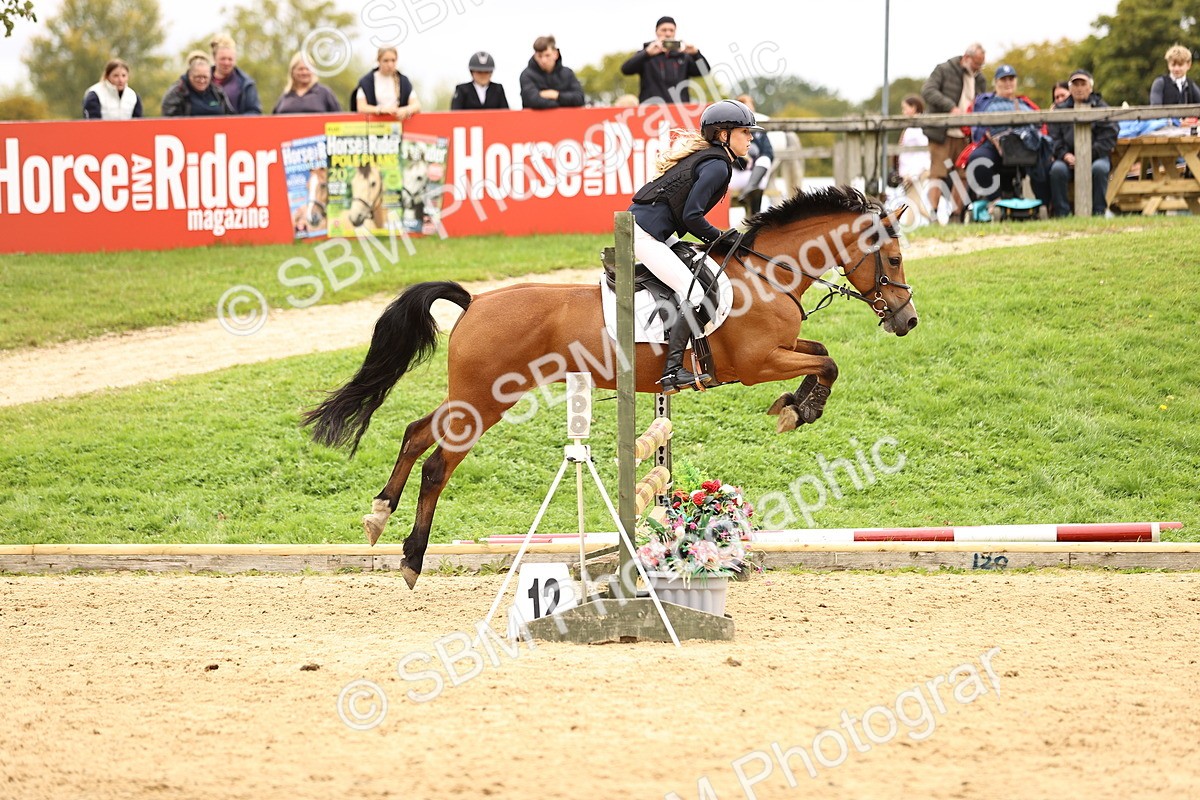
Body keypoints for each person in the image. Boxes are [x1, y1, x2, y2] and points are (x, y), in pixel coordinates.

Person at [628, 99, 758, 394]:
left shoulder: (713, 159)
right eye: (744, 132)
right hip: (644, 234)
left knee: (698, 275)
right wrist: (722, 237)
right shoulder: (717, 167)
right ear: (723, 135)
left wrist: (720, 237)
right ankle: (672, 370)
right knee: (695, 292)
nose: (750, 138)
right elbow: (692, 216)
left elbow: (688, 217)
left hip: (653, 230)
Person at [921, 43, 987, 223]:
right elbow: (928, 91)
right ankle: (933, 215)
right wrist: (950, 107)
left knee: (963, 174)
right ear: (967, 57)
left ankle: (956, 215)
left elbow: (984, 100)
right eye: (976, 64)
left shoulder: (979, 78)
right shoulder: (944, 70)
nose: (978, 68)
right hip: (941, 131)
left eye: (981, 65)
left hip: (966, 133)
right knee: (938, 172)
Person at [964, 65, 1047, 204]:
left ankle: (1045, 203)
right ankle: (996, 201)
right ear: (996, 82)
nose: (1008, 83)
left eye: (1011, 79)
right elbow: (971, 126)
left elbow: (1041, 126)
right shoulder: (984, 103)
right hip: (993, 143)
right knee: (977, 160)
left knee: (1045, 156)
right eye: (1004, 79)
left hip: (1024, 146)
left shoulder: (1025, 104)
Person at [1048, 69, 1119, 217]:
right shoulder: (1059, 110)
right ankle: (1063, 214)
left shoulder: (1102, 107)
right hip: (1067, 159)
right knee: (1057, 170)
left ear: (1090, 87)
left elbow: (1110, 135)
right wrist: (1065, 155)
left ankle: (1098, 212)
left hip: (1096, 156)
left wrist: (1087, 155)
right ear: (1070, 88)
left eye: (1083, 84)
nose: (1079, 88)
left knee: (1100, 169)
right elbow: (1054, 137)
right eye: (1075, 84)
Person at [620, 16, 710, 104]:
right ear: (656, 32)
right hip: (651, 110)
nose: (668, 34)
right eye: (664, 30)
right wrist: (646, 53)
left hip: (679, 110)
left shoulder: (683, 56)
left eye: (671, 30)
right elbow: (626, 69)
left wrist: (696, 54)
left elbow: (705, 70)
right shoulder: (646, 56)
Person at [727, 94, 774, 215]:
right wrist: (742, 157)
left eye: (751, 109)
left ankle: (749, 195)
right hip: (736, 173)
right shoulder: (732, 128)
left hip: (754, 174)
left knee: (764, 161)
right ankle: (754, 216)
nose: (750, 112)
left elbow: (768, 153)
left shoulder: (758, 130)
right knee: (758, 181)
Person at [351, 47, 420, 120]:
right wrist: (380, 110)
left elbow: (416, 105)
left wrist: (406, 110)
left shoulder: (404, 81)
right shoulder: (366, 81)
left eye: (393, 60)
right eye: (386, 61)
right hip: (374, 126)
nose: (390, 64)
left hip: (398, 126)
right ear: (378, 61)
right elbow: (361, 107)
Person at [519, 35, 585, 109]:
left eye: (547, 55)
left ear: (555, 54)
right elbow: (532, 100)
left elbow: (579, 99)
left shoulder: (568, 73)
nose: (543, 60)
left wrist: (555, 95)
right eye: (539, 56)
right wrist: (563, 103)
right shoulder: (527, 75)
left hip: (566, 120)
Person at [161, 51, 234, 116]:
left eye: (205, 77)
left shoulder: (217, 92)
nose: (202, 81)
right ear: (189, 75)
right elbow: (169, 118)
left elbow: (230, 116)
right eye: (198, 77)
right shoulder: (178, 91)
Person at [895, 95, 931, 219]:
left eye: (905, 108)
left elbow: (922, 153)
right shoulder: (911, 127)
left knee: (912, 204)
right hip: (911, 172)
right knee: (914, 203)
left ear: (914, 108)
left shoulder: (917, 129)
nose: (903, 112)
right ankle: (936, 221)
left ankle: (911, 229)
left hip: (916, 171)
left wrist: (913, 174)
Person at [272, 52, 342, 114]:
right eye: (300, 69)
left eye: (308, 69)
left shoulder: (324, 93)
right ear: (292, 72)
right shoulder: (286, 95)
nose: (304, 72)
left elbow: (339, 119)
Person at [210, 34, 261, 115]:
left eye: (230, 59)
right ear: (214, 58)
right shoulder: (202, 81)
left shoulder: (246, 84)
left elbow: (254, 112)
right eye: (222, 59)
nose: (226, 63)